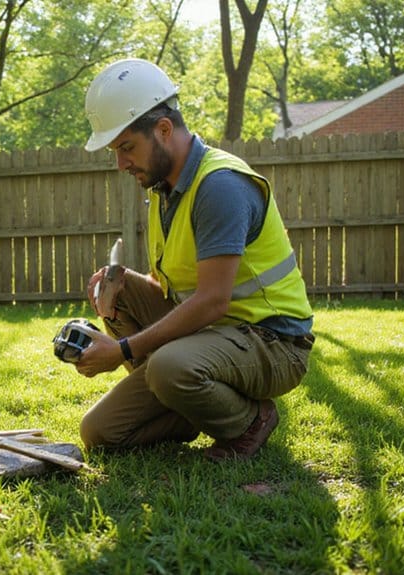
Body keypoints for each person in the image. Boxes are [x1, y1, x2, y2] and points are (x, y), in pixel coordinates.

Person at [75, 58, 314, 461]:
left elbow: (212, 301)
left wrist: (123, 350)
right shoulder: (164, 188)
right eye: (116, 151)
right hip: (213, 337)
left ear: (164, 130)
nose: (120, 164)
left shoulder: (220, 186)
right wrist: (118, 283)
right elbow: (177, 291)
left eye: (127, 148)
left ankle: (249, 421)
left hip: (272, 342)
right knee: (100, 433)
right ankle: (190, 399)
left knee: (169, 367)